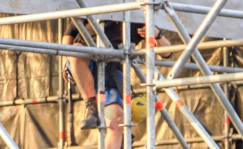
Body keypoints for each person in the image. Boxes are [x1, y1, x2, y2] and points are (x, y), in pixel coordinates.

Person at [62, 19, 171, 149]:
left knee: (116, 122)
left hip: (111, 69)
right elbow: (70, 33)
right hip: (85, 62)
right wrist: (64, 61)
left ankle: (116, 141)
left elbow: (167, 52)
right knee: (76, 51)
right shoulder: (95, 3)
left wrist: (157, 34)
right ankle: (91, 106)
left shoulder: (136, 17)